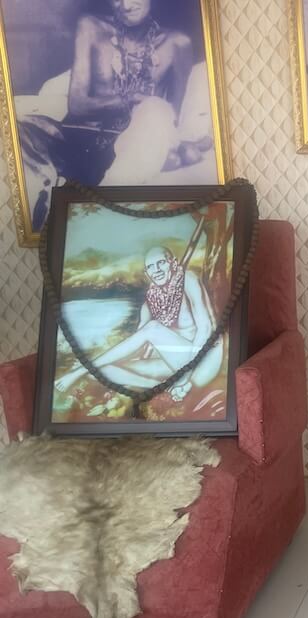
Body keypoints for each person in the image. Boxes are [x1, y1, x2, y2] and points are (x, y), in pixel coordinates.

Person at [20, 0, 207, 228]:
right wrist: (133, 98)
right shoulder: (90, 26)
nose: (125, 5)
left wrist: (178, 142)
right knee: (18, 127)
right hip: (78, 142)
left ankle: (102, 212)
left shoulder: (177, 43)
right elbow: (77, 105)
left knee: (156, 109)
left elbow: (172, 116)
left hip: (128, 148)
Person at [55, 247, 224, 404]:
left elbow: (206, 329)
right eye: (150, 267)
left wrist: (185, 376)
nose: (156, 270)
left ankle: (81, 370)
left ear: (172, 263)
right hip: (175, 364)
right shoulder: (150, 302)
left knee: (153, 328)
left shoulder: (188, 279)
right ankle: (156, 387)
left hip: (204, 360)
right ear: (146, 273)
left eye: (161, 263)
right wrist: (131, 363)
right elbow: (138, 344)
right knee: (98, 372)